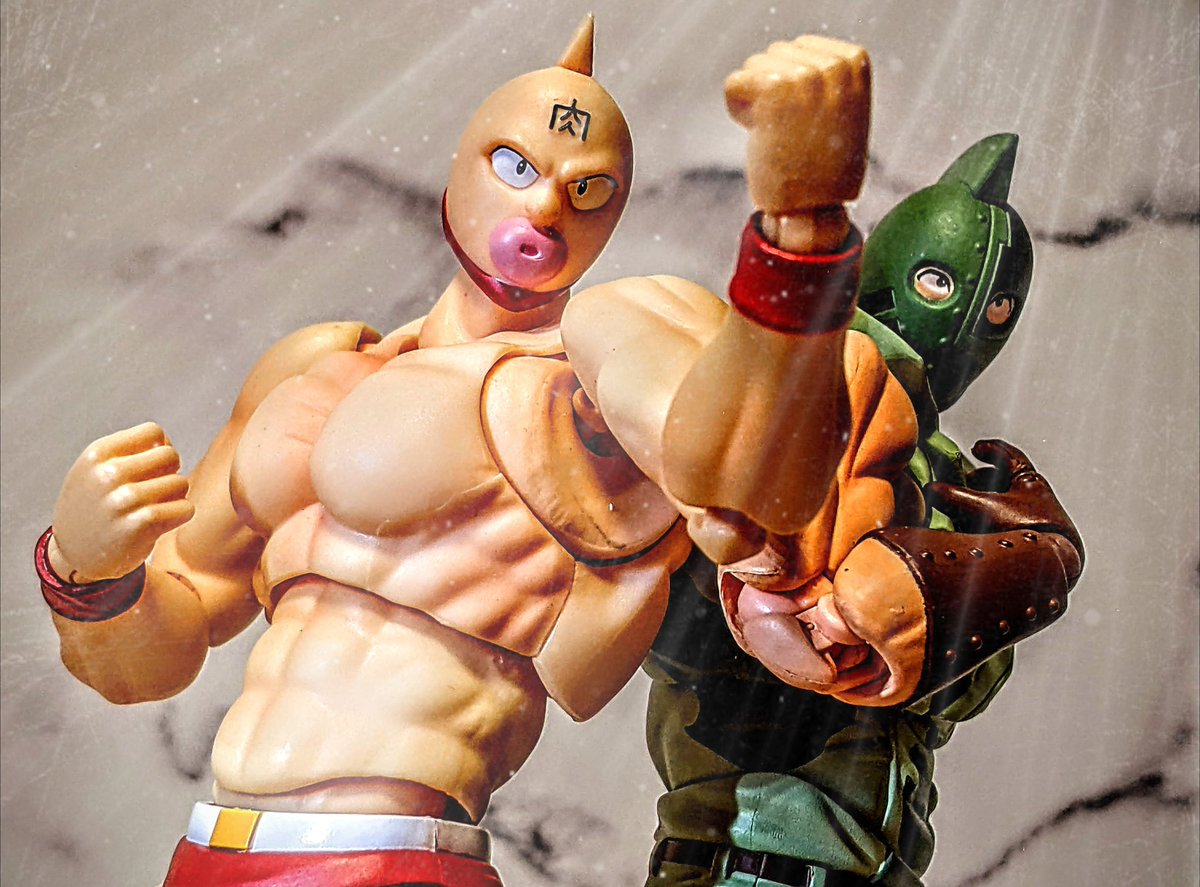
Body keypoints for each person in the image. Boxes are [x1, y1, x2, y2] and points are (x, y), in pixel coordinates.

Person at [34, 21, 936, 887]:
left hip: (394, 853)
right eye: (517, 166)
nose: (543, 208)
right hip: (212, 849)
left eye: (587, 190)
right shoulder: (317, 367)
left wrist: (801, 227)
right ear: (460, 169)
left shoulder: (600, 362)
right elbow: (153, 652)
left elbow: (749, 480)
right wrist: (88, 575)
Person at [644, 136, 1085, 887]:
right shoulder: (794, 403)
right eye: (939, 282)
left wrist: (1016, 573)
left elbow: (959, 691)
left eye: (997, 308)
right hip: (749, 854)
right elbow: (680, 631)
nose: (968, 326)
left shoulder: (956, 481)